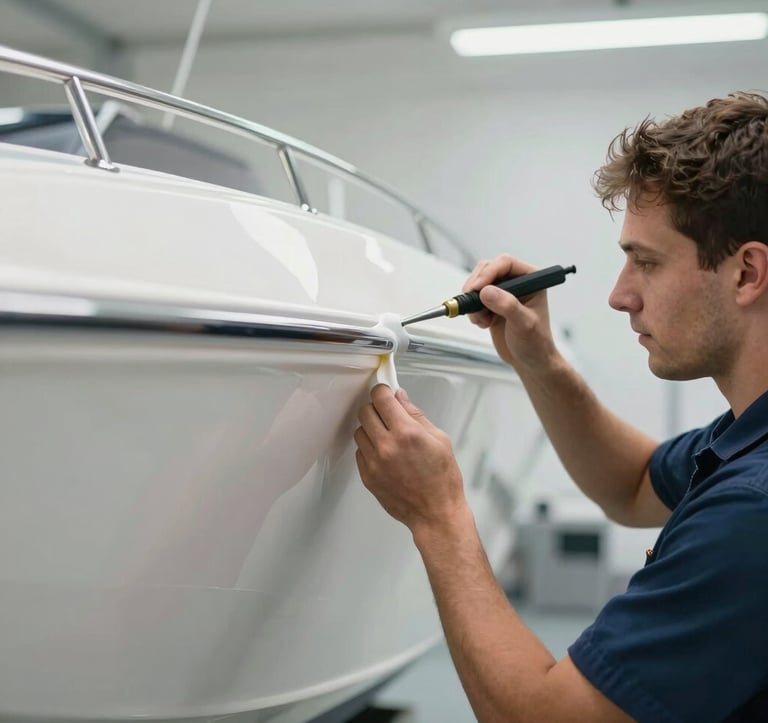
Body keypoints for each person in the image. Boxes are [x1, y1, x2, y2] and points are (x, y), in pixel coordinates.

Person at [354, 91, 768, 723]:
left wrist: (438, 517)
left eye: (646, 263)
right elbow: (630, 485)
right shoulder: (745, 437)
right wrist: (537, 358)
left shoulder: (752, 509)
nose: (618, 296)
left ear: (746, 274)